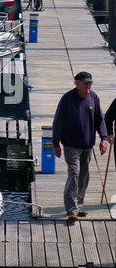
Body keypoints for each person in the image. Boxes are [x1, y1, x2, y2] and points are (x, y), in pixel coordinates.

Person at [52, 71, 108, 221]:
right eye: (86, 83)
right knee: (74, 173)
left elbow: (100, 120)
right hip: (71, 145)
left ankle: (78, 205)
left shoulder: (94, 97)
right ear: (77, 84)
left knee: (84, 176)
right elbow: (58, 122)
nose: (89, 85)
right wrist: (55, 143)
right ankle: (71, 210)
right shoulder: (67, 99)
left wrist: (104, 139)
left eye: (90, 83)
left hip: (87, 146)